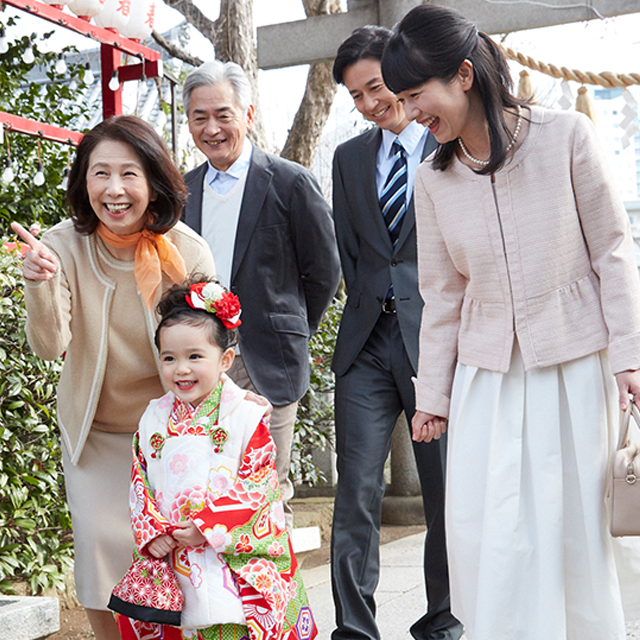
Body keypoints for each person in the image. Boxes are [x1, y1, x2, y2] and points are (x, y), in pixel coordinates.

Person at [380, 5, 640, 640]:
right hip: (486, 377)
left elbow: (614, 250)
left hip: (575, 366)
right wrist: (431, 397)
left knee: (573, 531)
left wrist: (630, 356)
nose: (413, 113)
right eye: (405, 99)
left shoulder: (566, 136)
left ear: (464, 74)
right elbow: (441, 297)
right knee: (491, 534)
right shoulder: (431, 178)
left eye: (417, 96)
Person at [10, 115, 217, 640]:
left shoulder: (186, 252)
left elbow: (211, 348)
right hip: (98, 434)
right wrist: (39, 283)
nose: (115, 189)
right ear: (84, 183)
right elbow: (49, 345)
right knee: (102, 551)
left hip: (170, 439)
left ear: (153, 181)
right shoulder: (59, 246)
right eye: (100, 173)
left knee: (173, 556)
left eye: (129, 173)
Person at [330, 26, 462, 640]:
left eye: (375, 87)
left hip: (434, 341)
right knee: (354, 492)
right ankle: (355, 629)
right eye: (356, 96)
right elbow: (350, 254)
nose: (369, 104)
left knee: (443, 494)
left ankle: (442, 621)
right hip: (364, 345)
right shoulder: (349, 158)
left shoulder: (451, 148)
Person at [181, 60, 341, 530]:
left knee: (267, 491)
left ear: (247, 114)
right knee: (206, 492)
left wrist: (290, 328)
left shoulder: (290, 182)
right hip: (202, 358)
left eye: (223, 115)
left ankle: (278, 603)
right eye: (199, 117)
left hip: (268, 361)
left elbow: (324, 271)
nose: (212, 129)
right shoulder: (183, 191)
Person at [112, 276, 317, 640]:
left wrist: (208, 527)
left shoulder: (245, 415)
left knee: (231, 624)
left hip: (228, 552)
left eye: (195, 356)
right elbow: (139, 481)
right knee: (179, 624)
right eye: (169, 358)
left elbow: (258, 485)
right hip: (173, 549)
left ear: (225, 359)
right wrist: (153, 533)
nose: (182, 369)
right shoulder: (153, 418)